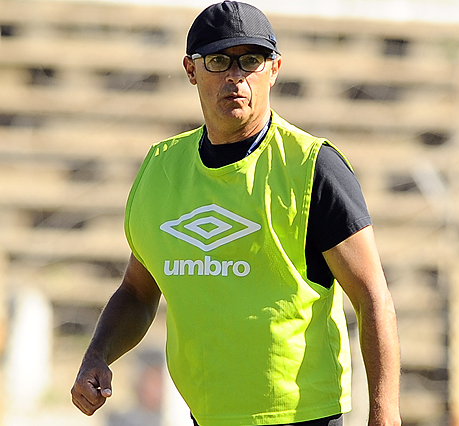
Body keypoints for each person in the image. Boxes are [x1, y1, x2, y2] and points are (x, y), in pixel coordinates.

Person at [70, 2, 401, 426]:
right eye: (218, 60)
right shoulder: (161, 169)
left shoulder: (312, 167)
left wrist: (384, 414)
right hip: (206, 416)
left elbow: (372, 297)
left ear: (275, 68)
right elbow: (137, 292)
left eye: (251, 60)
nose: (236, 75)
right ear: (191, 70)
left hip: (302, 416)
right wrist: (97, 353)